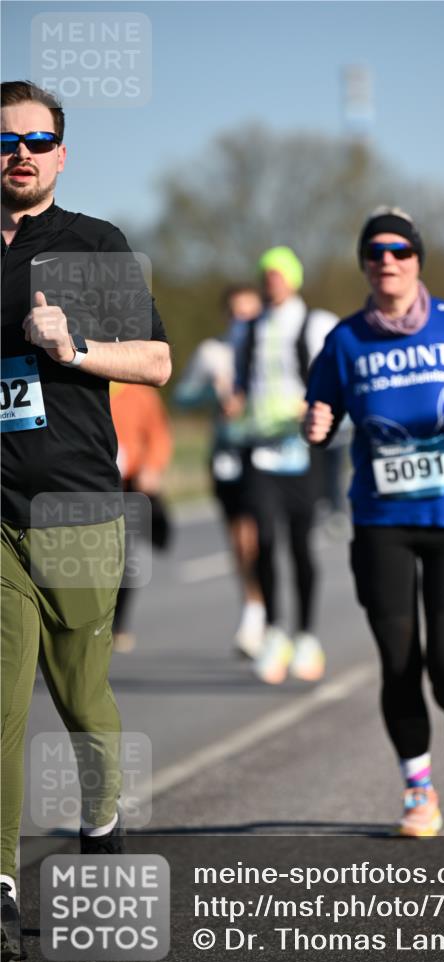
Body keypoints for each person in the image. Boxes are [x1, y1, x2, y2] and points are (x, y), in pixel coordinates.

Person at [1, 80, 170, 962]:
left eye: (36, 140)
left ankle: (101, 826)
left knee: (79, 695)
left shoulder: (93, 245)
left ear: (61, 155)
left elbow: (158, 361)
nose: (18, 152)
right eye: (4, 140)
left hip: (74, 504)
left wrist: (73, 351)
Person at [305, 207, 444, 837]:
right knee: (398, 661)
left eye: (399, 251)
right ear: (365, 264)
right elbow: (322, 406)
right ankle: (418, 790)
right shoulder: (345, 339)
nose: (387, 260)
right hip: (382, 517)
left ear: (417, 260)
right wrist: (314, 424)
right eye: (375, 252)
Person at [228, 247, 338, 683]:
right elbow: (239, 379)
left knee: (299, 544)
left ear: (294, 278)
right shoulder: (247, 330)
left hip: (302, 448)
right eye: (265, 273)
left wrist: (312, 404)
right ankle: (274, 632)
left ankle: (307, 635)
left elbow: (334, 379)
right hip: (260, 448)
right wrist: (233, 400)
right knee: (264, 541)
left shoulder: (315, 323)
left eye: (279, 273)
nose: (271, 280)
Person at [174, 284, 266, 657]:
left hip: (267, 453)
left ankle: (267, 611)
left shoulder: (272, 350)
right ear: (226, 316)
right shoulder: (213, 353)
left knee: (266, 535)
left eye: (251, 314)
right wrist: (212, 393)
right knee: (240, 536)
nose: (243, 321)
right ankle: (254, 609)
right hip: (227, 453)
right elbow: (181, 396)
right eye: (236, 314)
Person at [110, 381, 173, 653]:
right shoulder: (74, 384)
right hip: (87, 486)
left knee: (124, 558)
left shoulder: (138, 393)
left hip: (128, 485)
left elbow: (159, 435)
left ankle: (117, 625)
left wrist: (152, 467)